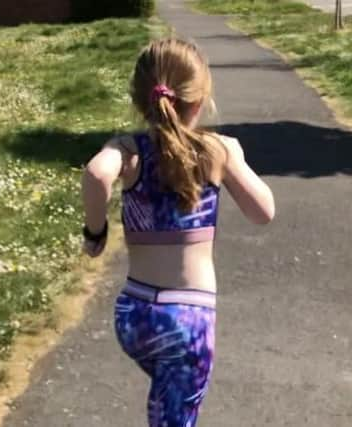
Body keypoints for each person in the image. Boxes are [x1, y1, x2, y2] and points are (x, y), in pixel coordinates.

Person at [80, 38, 275, 427]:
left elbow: (96, 173)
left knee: (167, 402)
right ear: (200, 100)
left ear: (140, 100)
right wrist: (233, 158)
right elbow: (263, 212)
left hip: (134, 315)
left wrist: (95, 234)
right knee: (177, 415)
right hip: (187, 320)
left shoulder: (127, 150)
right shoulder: (214, 150)